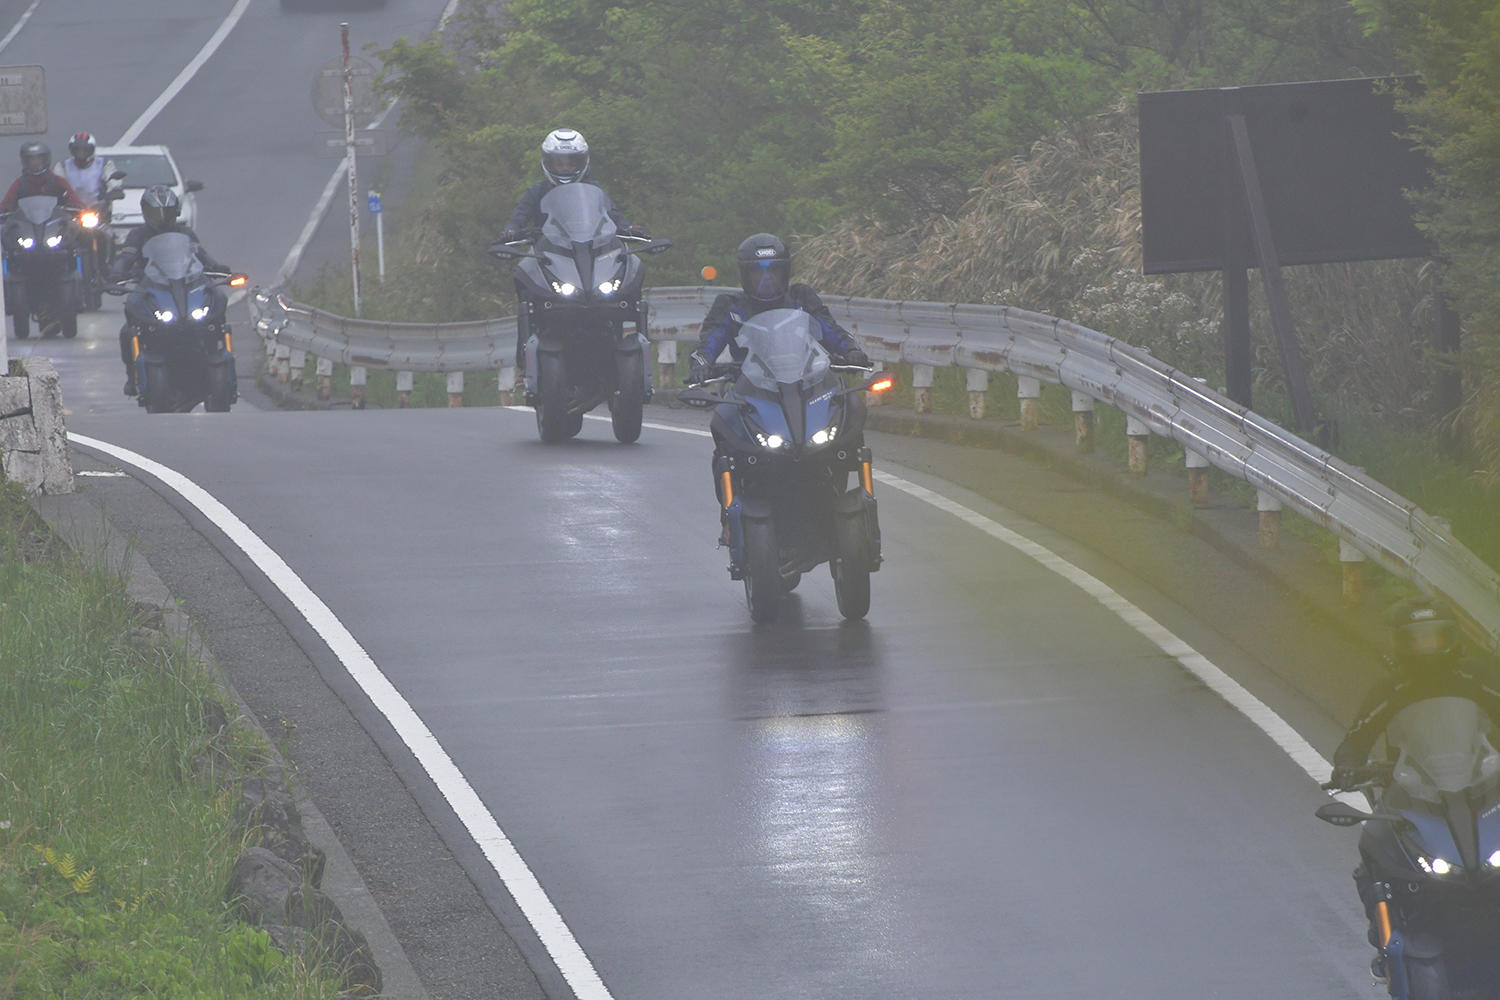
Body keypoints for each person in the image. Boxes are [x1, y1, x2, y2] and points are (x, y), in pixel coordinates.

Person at [1326, 596, 1500, 981]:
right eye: (1418, 639)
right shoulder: (1393, 688)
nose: (1428, 647)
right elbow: (1357, 736)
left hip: (1481, 792)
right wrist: (1348, 767)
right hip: (1414, 793)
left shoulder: (1474, 677)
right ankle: (1382, 934)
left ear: (1452, 638)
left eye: (1435, 637)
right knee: (1374, 844)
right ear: (1402, 644)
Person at [490, 128, 645, 368]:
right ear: (547, 162)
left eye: (571, 163)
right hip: (551, 259)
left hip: (591, 257)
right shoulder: (536, 192)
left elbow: (612, 217)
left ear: (582, 162)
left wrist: (628, 228)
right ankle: (524, 356)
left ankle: (626, 345)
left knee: (630, 271)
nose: (564, 168)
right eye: (559, 163)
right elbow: (518, 218)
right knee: (523, 275)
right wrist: (511, 231)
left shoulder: (596, 192)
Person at [688, 232, 869, 384]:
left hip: (802, 386)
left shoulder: (801, 298)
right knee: (723, 418)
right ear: (746, 275)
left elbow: (831, 331)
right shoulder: (731, 306)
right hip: (748, 390)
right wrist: (701, 365)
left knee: (852, 404)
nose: (767, 279)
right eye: (759, 273)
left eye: (773, 271)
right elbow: (707, 344)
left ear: (785, 272)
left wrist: (851, 351)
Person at [109, 184, 231, 396]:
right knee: (129, 323)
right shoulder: (138, 235)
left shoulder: (185, 233)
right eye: (156, 212)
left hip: (186, 284)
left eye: (166, 211)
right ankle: (132, 375)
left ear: (175, 211)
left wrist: (217, 268)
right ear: (146, 212)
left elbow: (201, 256)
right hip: (152, 288)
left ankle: (217, 352)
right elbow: (126, 258)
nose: (161, 217)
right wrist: (117, 273)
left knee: (217, 299)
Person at [0, 141, 86, 214]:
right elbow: (6, 205)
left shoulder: (58, 181)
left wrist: (79, 209)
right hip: (26, 230)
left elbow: (75, 201)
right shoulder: (19, 184)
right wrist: (4, 212)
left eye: (39, 159)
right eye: (32, 159)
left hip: (56, 228)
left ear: (46, 159)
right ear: (25, 161)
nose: (35, 162)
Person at [53, 132, 117, 208]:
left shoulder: (104, 164)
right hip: (71, 209)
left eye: (85, 150)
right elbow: (56, 183)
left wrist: (115, 189)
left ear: (92, 150)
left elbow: (113, 179)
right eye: (77, 149)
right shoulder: (63, 166)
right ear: (71, 149)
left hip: (99, 208)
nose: (81, 153)